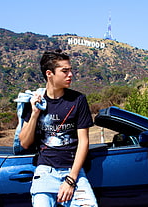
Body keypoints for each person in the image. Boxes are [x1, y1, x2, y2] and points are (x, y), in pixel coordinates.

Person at [19, 49, 98, 207]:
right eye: (65, 71)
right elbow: (25, 143)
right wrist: (35, 113)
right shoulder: (35, 101)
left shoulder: (78, 100)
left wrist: (71, 180)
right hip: (45, 172)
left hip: (72, 171)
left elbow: (83, 142)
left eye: (70, 70)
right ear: (49, 73)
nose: (70, 75)